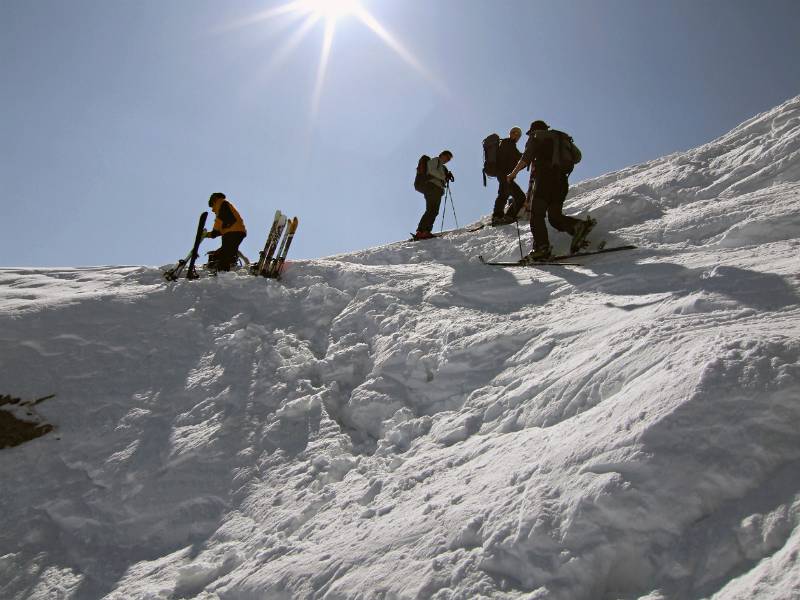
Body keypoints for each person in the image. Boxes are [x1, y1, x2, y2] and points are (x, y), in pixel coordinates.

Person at [507, 120, 591, 261]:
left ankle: (542, 249)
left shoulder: (536, 137)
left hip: (545, 180)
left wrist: (512, 174)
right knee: (554, 217)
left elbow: (526, 158)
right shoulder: (560, 137)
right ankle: (578, 226)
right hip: (561, 181)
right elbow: (577, 157)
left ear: (532, 131)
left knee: (536, 215)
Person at [491, 127, 527, 226]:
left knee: (503, 195)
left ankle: (497, 217)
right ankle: (508, 216)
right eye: (514, 133)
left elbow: (515, 160)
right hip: (505, 176)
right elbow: (516, 158)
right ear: (510, 133)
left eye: (518, 135)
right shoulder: (508, 144)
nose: (516, 136)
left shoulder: (507, 144)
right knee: (520, 197)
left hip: (502, 175)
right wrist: (526, 158)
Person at [415, 150, 454, 240]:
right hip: (433, 187)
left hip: (434, 189)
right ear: (441, 155)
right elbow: (432, 171)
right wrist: (444, 177)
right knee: (433, 210)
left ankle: (422, 231)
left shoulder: (441, 166)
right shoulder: (435, 160)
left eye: (448, 159)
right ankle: (424, 231)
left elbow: (437, 175)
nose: (447, 160)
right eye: (447, 157)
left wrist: (445, 176)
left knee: (431, 210)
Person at [204, 192, 247, 271]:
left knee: (226, 254)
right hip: (235, 231)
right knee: (226, 251)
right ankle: (222, 265)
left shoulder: (220, 203)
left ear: (214, 200)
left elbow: (219, 220)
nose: (212, 210)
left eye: (212, 206)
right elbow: (222, 227)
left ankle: (223, 272)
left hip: (233, 232)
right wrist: (209, 234)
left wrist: (213, 232)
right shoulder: (223, 204)